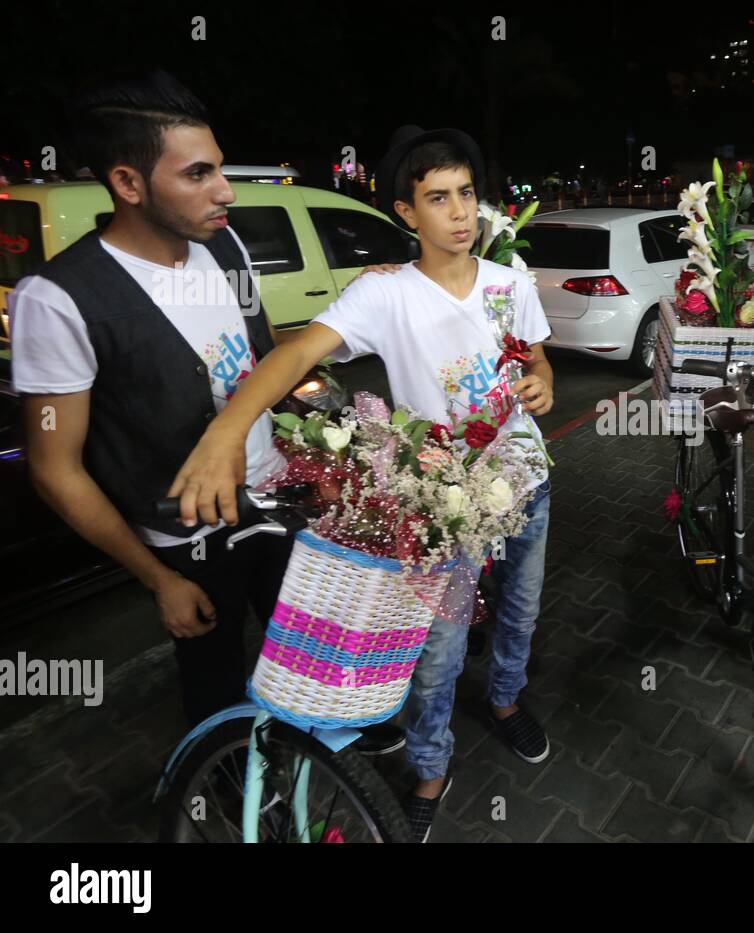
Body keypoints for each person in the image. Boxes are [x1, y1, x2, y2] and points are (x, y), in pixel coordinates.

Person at [165, 125, 556, 842]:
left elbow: (536, 359)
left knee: (521, 612)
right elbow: (296, 356)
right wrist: (229, 428)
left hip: (527, 483)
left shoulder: (510, 283)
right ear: (407, 213)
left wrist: (541, 385)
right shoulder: (385, 295)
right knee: (434, 652)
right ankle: (432, 765)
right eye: (438, 198)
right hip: (443, 510)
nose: (461, 212)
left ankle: (505, 700)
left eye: (467, 194)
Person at [10, 72, 298, 729]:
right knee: (216, 684)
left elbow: (262, 353)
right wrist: (156, 577)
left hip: (276, 498)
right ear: (128, 183)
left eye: (219, 168)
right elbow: (55, 469)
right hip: (187, 538)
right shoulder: (59, 299)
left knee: (302, 648)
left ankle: (316, 760)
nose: (225, 190)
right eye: (198, 174)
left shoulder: (223, 244)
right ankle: (231, 796)